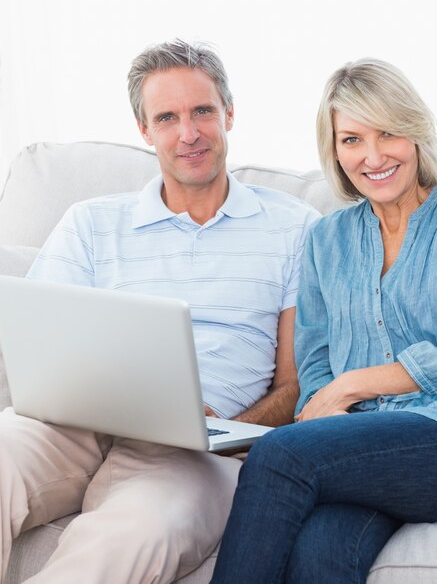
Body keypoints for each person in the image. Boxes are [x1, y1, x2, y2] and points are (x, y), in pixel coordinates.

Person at [0, 40, 319, 584]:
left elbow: (294, 385)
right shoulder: (91, 223)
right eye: (167, 117)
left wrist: (231, 428)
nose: (188, 133)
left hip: (200, 449)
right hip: (69, 423)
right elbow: (40, 343)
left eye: (202, 112)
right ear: (144, 130)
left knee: (137, 534)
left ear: (230, 114)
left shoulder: (295, 228)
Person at [210, 58, 437, 584]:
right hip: (362, 450)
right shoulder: (326, 240)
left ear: (416, 134)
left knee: (279, 454)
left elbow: (335, 384)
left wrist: (352, 386)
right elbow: (315, 361)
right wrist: (328, 405)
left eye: (389, 134)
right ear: (334, 150)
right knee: (320, 555)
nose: (374, 156)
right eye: (352, 139)